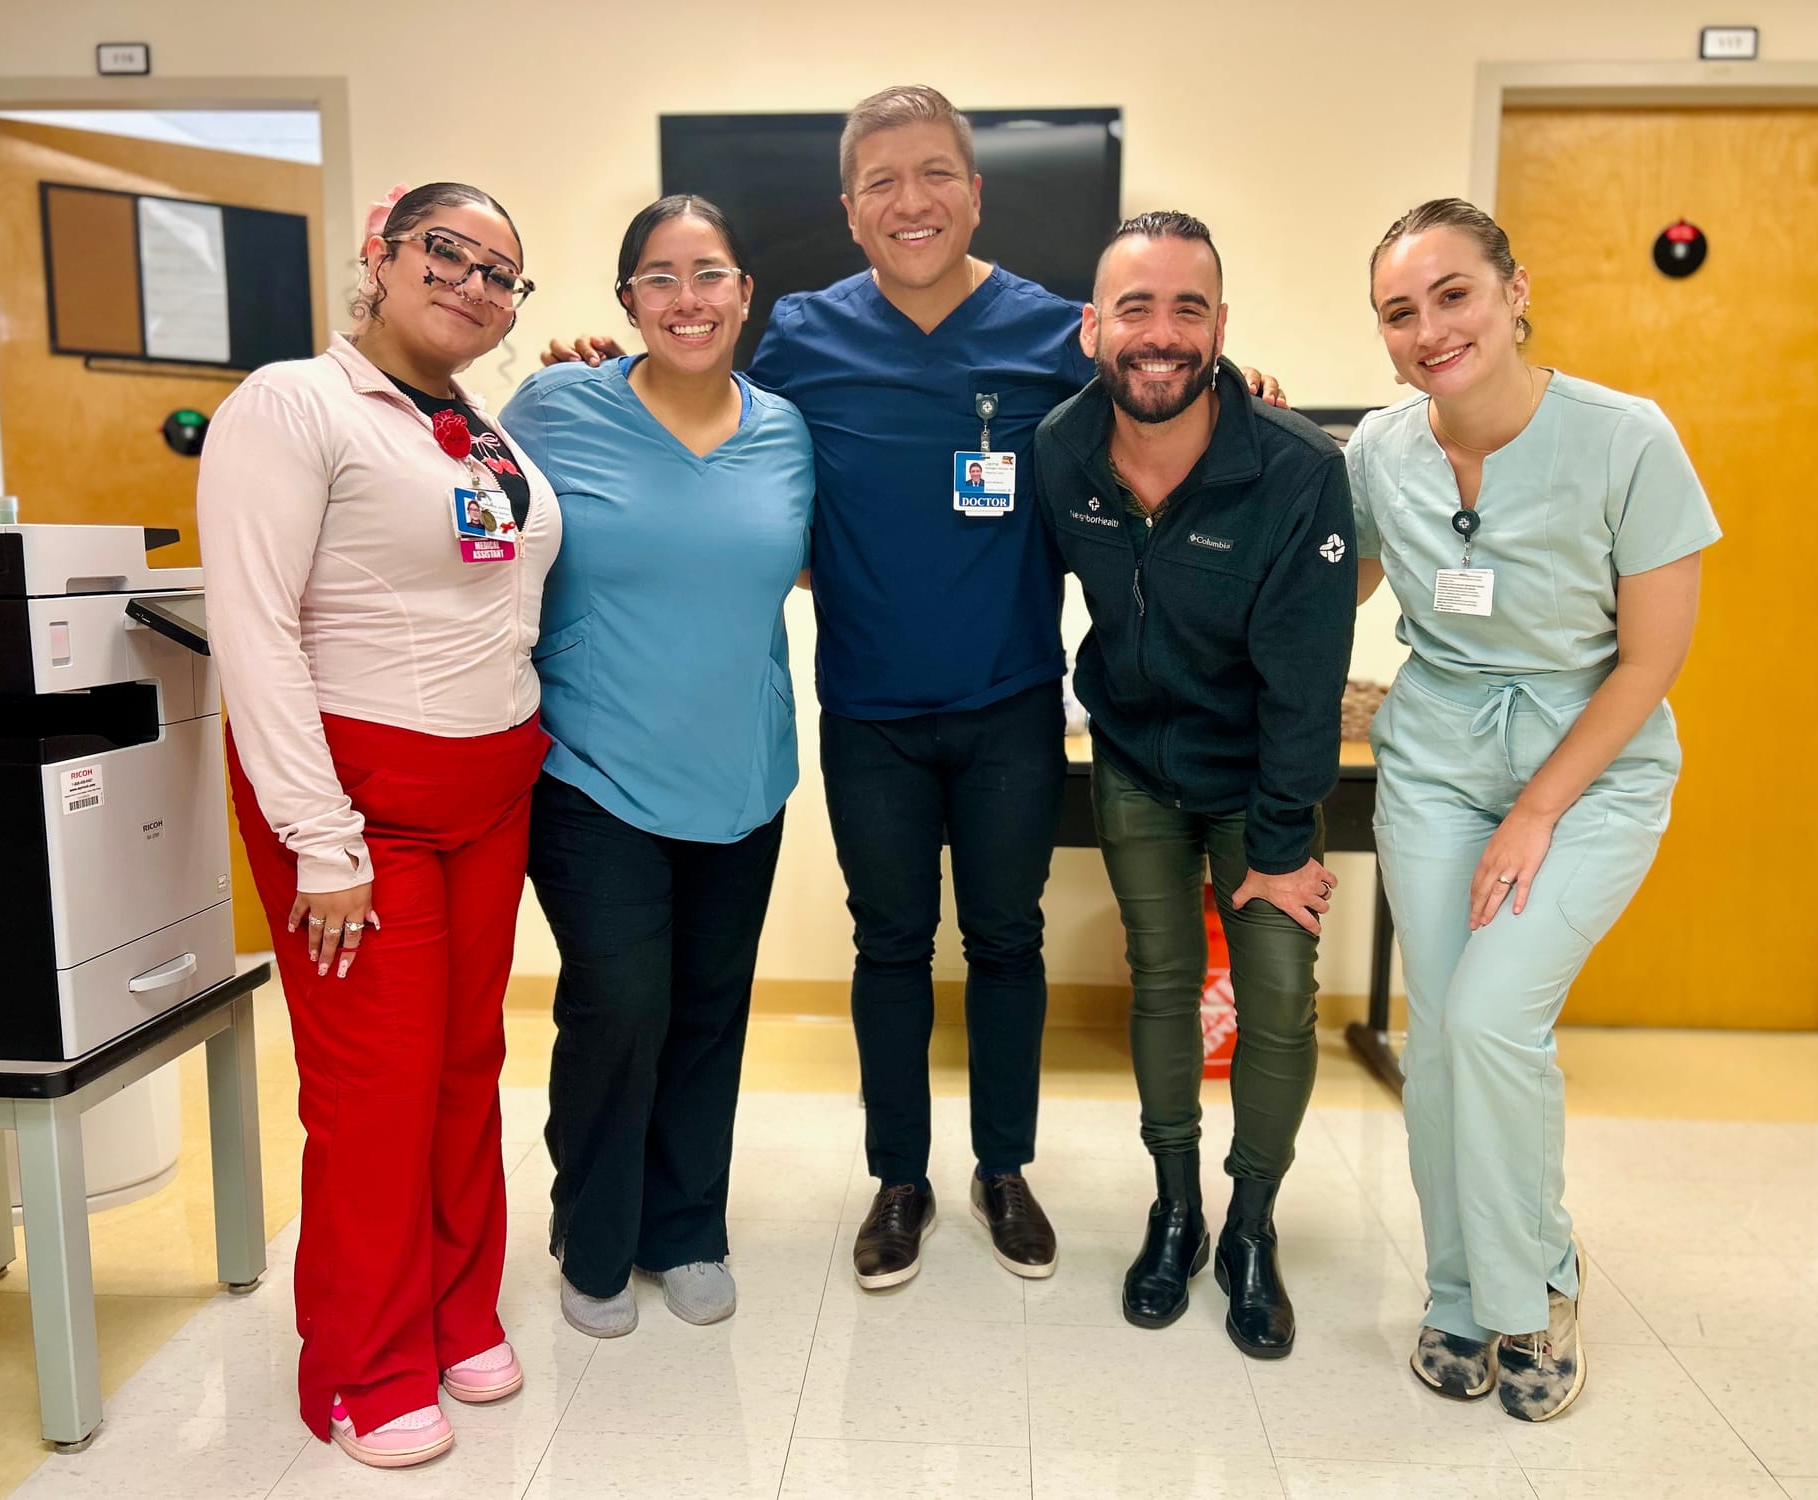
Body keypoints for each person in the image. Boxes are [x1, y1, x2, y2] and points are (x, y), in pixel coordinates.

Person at [546, 86, 1284, 1293]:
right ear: (848, 209)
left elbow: (1158, 388)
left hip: (1008, 705)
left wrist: (1233, 381)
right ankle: (899, 1178)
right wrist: (598, 361)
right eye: (880, 180)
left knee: (1006, 941)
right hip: (869, 710)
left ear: (974, 192)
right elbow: (699, 402)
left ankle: (1003, 1168)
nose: (911, 200)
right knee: (887, 946)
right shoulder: (800, 336)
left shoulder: (1053, 330)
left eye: (934, 172)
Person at [198, 182, 554, 1469]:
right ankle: (364, 1364)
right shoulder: (291, 404)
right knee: (375, 1089)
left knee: (464, 1069)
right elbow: (255, 632)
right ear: (382, 256)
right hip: (360, 811)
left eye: (501, 274)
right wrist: (319, 837)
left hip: (490, 793)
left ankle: (457, 1312)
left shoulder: (481, 433)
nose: (473, 283)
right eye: (448, 252)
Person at [1352, 198, 1719, 1421]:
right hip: (1436, 764)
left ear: (1513, 293)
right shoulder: (1378, 453)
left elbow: (1648, 661)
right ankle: (1458, 1292)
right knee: (1440, 1034)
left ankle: (1537, 1285)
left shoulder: (1625, 440)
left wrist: (1537, 810)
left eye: (1451, 293)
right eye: (1397, 313)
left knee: (1492, 1015)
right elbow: (1325, 584)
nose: (1427, 329)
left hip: (1591, 767)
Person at [1034, 212, 1354, 1359]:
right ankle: (1174, 1208)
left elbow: (1307, 683)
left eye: (1186, 308)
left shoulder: (1296, 468)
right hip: (1133, 769)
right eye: (1135, 307)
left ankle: (1250, 1224)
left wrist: (1279, 845)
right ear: (1091, 328)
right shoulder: (1059, 450)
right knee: (1162, 985)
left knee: (1275, 998)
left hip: (1262, 782)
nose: (1159, 333)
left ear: (1220, 326)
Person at [498, 197, 813, 1338]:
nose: (689, 299)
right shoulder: (554, 407)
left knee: (709, 1009)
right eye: (661, 277)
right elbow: (474, 536)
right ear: (627, 300)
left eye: (710, 273)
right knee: (619, 1005)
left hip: (741, 770)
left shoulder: (787, 432)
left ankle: (685, 1229)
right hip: (592, 769)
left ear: (745, 294)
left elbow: (824, 564)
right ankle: (594, 1235)